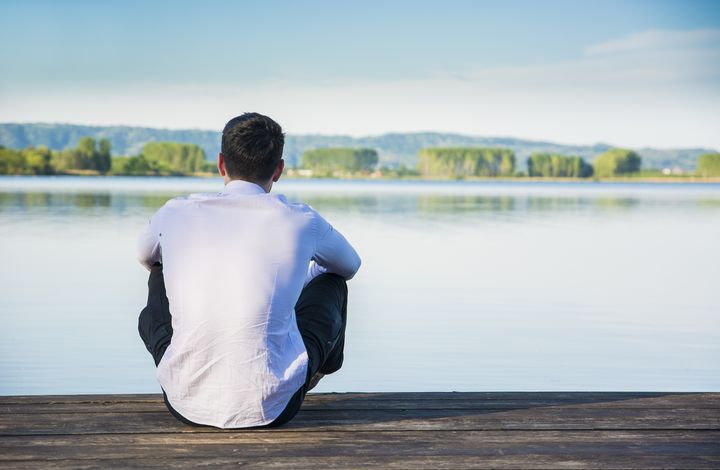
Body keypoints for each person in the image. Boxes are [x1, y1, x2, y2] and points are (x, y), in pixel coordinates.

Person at [136, 113, 361, 428]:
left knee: (159, 270)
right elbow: (349, 266)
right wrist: (296, 281)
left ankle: (186, 367)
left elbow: (145, 257)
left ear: (221, 164)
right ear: (278, 169)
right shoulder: (301, 220)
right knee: (333, 282)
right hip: (273, 408)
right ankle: (313, 371)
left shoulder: (174, 213)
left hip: (184, 404)